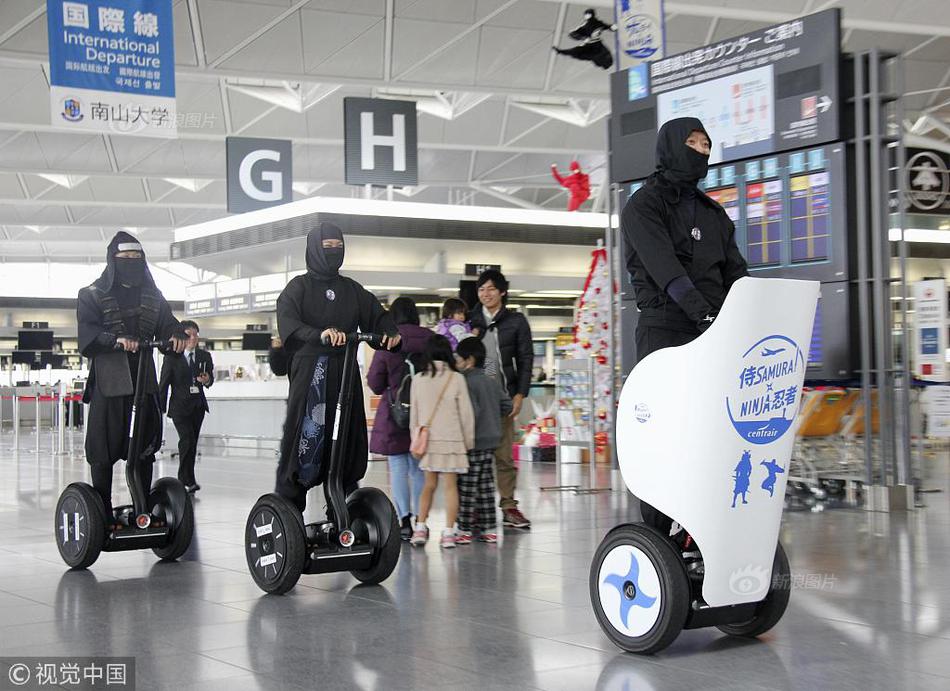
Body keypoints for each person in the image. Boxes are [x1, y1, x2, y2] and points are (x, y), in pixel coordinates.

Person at [621, 116, 748, 537]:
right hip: (665, 332)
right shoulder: (644, 205)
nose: (701, 152)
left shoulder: (715, 214)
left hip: (713, 335)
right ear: (672, 146)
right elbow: (665, 269)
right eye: (692, 143)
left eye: (706, 145)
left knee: (710, 434)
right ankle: (657, 533)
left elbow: (736, 274)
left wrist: (746, 316)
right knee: (666, 434)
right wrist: (705, 314)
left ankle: (701, 527)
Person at [274, 222, 400, 513]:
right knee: (306, 436)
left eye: (337, 246)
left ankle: (343, 505)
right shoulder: (298, 287)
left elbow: (376, 317)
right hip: (311, 376)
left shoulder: (352, 290)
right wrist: (318, 334)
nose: (333, 252)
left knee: (346, 436)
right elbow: (289, 324)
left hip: (344, 374)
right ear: (313, 250)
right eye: (326, 247)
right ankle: (289, 509)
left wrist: (390, 334)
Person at [77, 232, 186, 523]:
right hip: (110, 380)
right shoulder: (91, 294)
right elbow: (87, 333)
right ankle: (100, 508)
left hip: (143, 379)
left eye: (137, 258)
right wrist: (115, 339)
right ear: (113, 261)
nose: (131, 263)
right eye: (125, 259)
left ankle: (144, 508)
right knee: (104, 445)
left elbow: (168, 325)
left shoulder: (154, 296)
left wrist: (174, 336)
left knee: (144, 446)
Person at [468, 269, 534, 529]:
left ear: (502, 291)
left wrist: (521, 394)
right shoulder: (470, 321)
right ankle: (473, 509)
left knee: (504, 456)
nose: (486, 294)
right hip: (474, 402)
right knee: (475, 458)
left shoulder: (516, 321)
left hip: (503, 399)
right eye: (481, 289)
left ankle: (509, 506)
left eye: (491, 289)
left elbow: (526, 358)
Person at [367, 296, 432, 541]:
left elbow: (375, 383)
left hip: (395, 413)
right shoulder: (429, 338)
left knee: (397, 467)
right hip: (425, 412)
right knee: (418, 468)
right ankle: (420, 520)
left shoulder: (387, 341)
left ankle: (403, 520)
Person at [409, 335, 475, 549]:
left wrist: (415, 440)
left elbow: (415, 416)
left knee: (428, 485)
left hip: (428, 441)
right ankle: (448, 532)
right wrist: (468, 441)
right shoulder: (456, 379)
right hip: (452, 441)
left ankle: (420, 528)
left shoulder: (418, 378)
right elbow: (466, 414)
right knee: (450, 487)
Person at [455, 337, 511, 545]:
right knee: (486, 485)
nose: (457, 362)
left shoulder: (464, 382)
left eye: (458, 358)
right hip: (491, 440)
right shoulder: (490, 380)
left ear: (468, 360)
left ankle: (464, 528)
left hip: (473, 440)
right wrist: (493, 418)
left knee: (468, 486)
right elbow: (507, 405)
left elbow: (471, 412)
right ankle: (489, 528)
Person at [159, 319, 213, 493]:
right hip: (180, 407)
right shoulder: (172, 357)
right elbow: (164, 383)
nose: (193, 339)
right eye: (189, 335)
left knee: (192, 442)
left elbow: (210, 379)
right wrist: (160, 407)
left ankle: (189, 478)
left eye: (196, 335)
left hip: (197, 406)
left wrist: (207, 380)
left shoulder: (204, 356)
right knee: (187, 440)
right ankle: (184, 479)